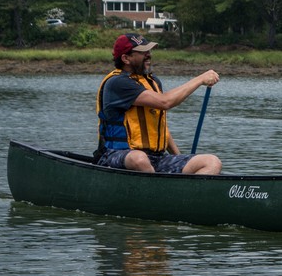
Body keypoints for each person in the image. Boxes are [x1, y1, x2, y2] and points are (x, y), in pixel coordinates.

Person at [95, 33, 222, 175]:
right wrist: (200, 79)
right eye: (143, 52)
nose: (148, 55)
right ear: (126, 58)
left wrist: (178, 156)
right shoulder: (118, 83)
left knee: (212, 162)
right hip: (116, 156)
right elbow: (165, 102)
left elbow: (160, 129)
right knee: (139, 159)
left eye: (148, 51)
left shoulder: (152, 82)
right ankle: (158, 193)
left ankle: (185, 195)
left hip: (156, 158)